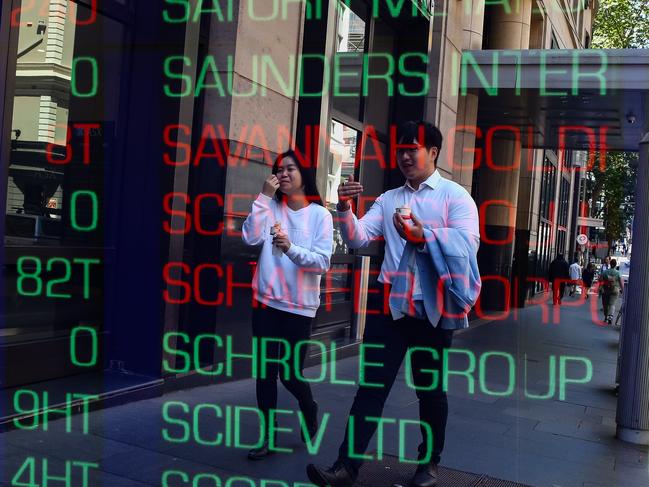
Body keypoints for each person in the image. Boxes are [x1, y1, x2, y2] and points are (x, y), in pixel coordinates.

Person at [306, 121, 481, 487]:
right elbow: (356, 239)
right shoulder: (388, 199)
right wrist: (345, 207)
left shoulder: (454, 196)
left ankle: (429, 464)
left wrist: (425, 236)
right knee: (371, 386)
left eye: (412, 148)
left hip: (433, 310)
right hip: (390, 308)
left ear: (433, 152)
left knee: (430, 390)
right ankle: (345, 468)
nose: (403, 156)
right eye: (400, 150)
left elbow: (468, 245)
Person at [241, 149, 333, 460]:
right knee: (265, 372)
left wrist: (291, 248)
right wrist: (263, 198)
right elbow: (250, 239)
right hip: (266, 302)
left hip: (298, 308)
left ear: (304, 174)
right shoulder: (270, 207)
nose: (283, 174)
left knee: (291, 374)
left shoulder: (320, 215)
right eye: (279, 169)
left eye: (290, 169)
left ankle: (309, 407)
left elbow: (322, 262)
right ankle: (267, 436)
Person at [599, 258, 624, 325]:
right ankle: (611, 316)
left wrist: (600, 288)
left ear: (610, 264)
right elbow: (621, 282)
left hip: (606, 290)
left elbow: (600, 280)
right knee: (612, 304)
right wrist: (623, 290)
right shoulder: (618, 273)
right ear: (615, 265)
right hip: (615, 289)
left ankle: (606, 317)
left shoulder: (605, 272)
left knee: (605, 304)